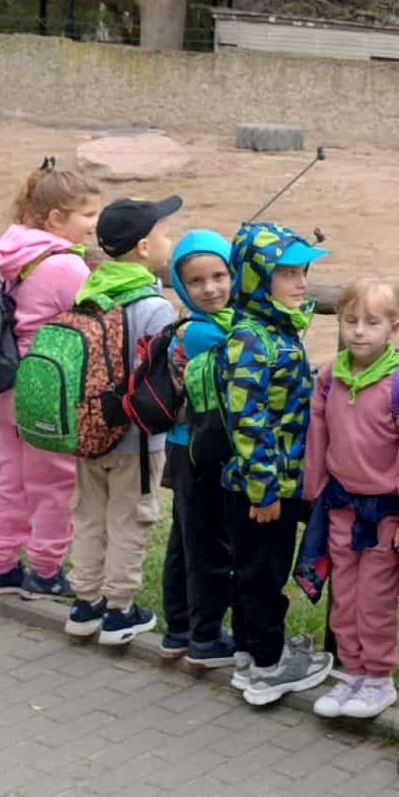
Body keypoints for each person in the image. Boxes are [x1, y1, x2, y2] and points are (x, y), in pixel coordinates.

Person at [220, 220, 336, 707]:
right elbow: (248, 420)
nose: (301, 282)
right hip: (265, 487)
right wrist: (264, 489)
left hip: (264, 482)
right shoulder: (253, 339)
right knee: (263, 575)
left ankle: (249, 654)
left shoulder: (272, 330)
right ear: (256, 278)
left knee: (252, 570)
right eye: (287, 273)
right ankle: (269, 668)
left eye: (302, 272)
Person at [302, 279, 399, 721]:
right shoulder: (330, 376)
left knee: (375, 599)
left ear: (394, 328)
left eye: (372, 322)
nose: (358, 331)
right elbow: (319, 433)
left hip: (385, 514)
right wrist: (314, 489)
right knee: (344, 595)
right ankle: (352, 671)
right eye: (350, 320)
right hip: (340, 506)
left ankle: (378, 676)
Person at [61, 196, 180, 647]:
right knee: (131, 520)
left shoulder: (90, 291)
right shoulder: (154, 305)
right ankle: (119, 610)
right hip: (136, 439)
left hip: (90, 432)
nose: (170, 240)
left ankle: (84, 603)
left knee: (90, 517)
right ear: (144, 247)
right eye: (165, 233)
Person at [0, 163, 98, 600]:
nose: (94, 224)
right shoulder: (65, 265)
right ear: (56, 218)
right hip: (48, 389)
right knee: (55, 484)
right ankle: (46, 571)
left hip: (8, 382)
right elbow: (96, 315)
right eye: (87, 214)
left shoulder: (16, 255)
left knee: (9, 477)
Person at [156, 229, 237, 667]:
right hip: (202, 451)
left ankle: (180, 628)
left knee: (185, 538)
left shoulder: (198, 325)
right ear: (181, 285)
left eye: (219, 276)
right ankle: (205, 637)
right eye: (197, 281)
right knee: (209, 543)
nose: (210, 289)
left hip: (182, 445)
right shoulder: (208, 333)